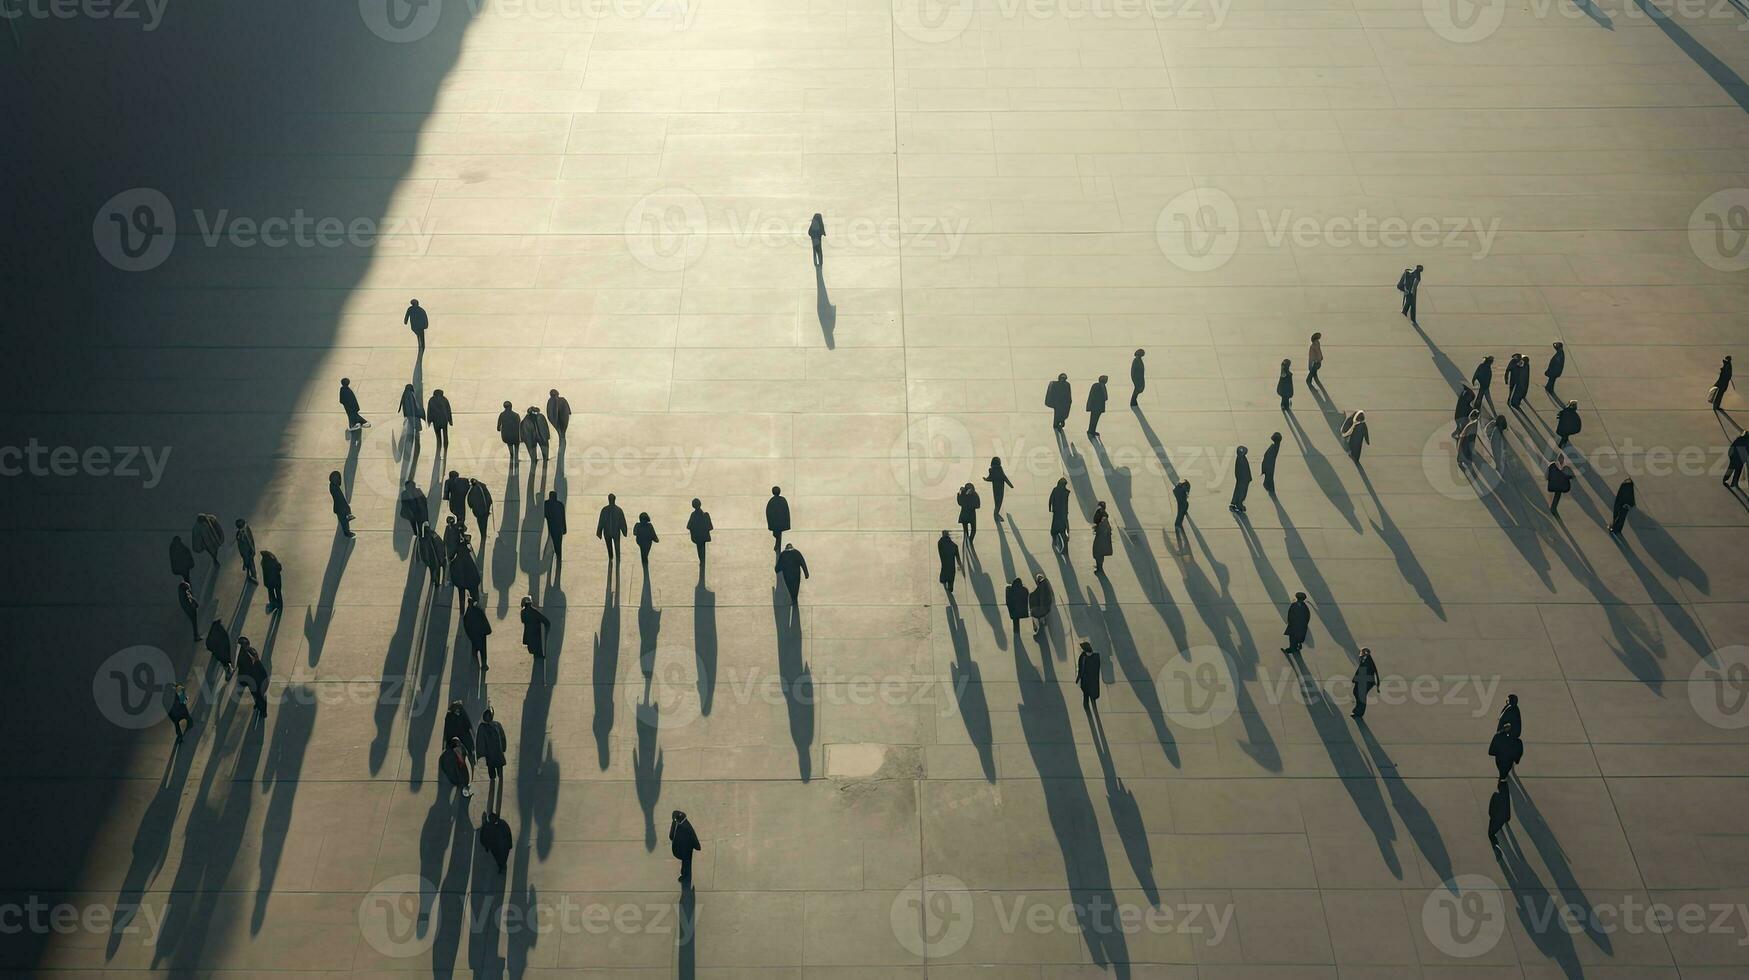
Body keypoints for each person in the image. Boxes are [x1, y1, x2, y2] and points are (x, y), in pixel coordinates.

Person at [237, 637, 268, 717]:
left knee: (259, 696)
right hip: (255, 680)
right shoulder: (249, 653)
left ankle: (263, 711)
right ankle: (258, 704)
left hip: (256, 680)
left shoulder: (246, 656)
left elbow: (243, 671)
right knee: (256, 695)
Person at [669, 810, 701, 886]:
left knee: (686, 863)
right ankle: (685, 875)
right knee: (686, 862)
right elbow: (671, 836)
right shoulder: (680, 824)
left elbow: (693, 836)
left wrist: (697, 846)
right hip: (683, 848)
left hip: (686, 849)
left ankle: (686, 876)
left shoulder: (685, 827)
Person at [477, 707, 508, 786]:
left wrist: (503, 747)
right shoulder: (482, 727)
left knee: (499, 771)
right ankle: (493, 783)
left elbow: (502, 736)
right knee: (492, 773)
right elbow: (480, 741)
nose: (488, 718)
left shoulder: (497, 724)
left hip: (497, 752)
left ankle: (499, 782)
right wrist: (481, 754)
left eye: (489, 716)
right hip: (490, 753)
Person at [596, 493, 627, 564]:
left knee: (611, 545)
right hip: (614, 531)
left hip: (607, 532)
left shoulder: (604, 510)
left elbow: (601, 521)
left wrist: (599, 531)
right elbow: (622, 521)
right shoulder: (618, 510)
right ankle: (614, 557)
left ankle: (611, 557)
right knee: (615, 546)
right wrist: (624, 531)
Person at [463, 595, 492, 670]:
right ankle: (484, 665)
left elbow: (466, 626)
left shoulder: (467, 614)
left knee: (475, 646)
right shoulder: (479, 611)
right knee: (483, 650)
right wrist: (487, 630)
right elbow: (484, 620)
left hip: (473, 635)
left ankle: (474, 658)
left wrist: (469, 635)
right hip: (481, 634)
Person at [451, 545, 481, 615]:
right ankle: (474, 605)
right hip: (471, 578)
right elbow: (475, 560)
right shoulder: (467, 546)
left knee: (461, 593)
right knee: (474, 592)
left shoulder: (455, 548)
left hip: (460, 578)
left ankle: (462, 611)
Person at [1487, 778, 1512, 854]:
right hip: (1502, 819)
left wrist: (1491, 815)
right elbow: (1508, 809)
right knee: (1497, 828)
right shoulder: (1506, 798)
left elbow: (1491, 807)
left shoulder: (1496, 795)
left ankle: (1496, 846)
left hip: (1495, 819)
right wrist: (1507, 818)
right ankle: (1499, 829)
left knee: (1491, 834)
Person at [1351, 648, 1378, 719]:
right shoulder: (1365, 661)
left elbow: (1365, 672)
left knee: (1361, 697)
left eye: (1361, 654)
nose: (1359, 656)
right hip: (1362, 681)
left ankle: (1359, 712)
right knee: (1356, 693)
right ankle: (1357, 709)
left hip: (1365, 682)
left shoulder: (1366, 663)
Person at [1074, 641, 1101, 711]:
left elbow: (1081, 670)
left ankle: (1087, 706)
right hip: (1092, 681)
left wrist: (1078, 678)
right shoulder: (1096, 657)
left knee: (1086, 696)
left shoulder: (1083, 658)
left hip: (1086, 681)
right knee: (1090, 695)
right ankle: (1091, 702)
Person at [419, 524, 447, 590]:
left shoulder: (425, 540)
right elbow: (440, 543)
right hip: (438, 556)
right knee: (437, 570)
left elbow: (424, 551)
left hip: (434, 558)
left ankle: (435, 582)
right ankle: (438, 582)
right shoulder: (434, 535)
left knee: (434, 570)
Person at [1281, 591, 1310, 656]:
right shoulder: (1304, 607)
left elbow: (1290, 614)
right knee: (1296, 636)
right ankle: (1296, 646)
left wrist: (1290, 622)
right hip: (1299, 625)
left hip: (1295, 625)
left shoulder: (1294, 605)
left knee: (1293, 637)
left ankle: (1292, 648)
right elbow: (1307, 616)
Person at [687, 498, 713, 567]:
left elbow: (688, 526)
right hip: (704, 537)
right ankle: (703, 560)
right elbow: (710, 527)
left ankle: (702, 561)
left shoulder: (693, 515)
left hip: (697, 537)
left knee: (699, 549)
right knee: (703, 547)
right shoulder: (705, 515)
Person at [544, 491, 568, 565]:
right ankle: (559, 557)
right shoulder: (560, 505)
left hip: (551, 527)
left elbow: (544, 514)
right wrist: (564, 529)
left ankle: (555, 556)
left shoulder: (546, 504)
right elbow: (563, 518)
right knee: (558, 543)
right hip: (559, 528)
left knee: (554, 542)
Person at [1048, 477, 1071, 553]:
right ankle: (1065, 536)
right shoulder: (1066, 492)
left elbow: (1051, 499)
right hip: (1063, 512)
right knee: (1064, 526)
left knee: (1055, 525)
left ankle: (1055, 537)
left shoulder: (1055, 490)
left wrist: (1049, 507)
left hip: (1056, 512)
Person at [467, 477, 493, 542]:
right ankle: (484, 534)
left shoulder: (472, 491)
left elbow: (470, 501)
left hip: (479, 511)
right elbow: (489, 497)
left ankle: (483, 535)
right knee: (485, 522)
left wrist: (472, 508)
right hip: (485, 509)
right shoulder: (483, 487)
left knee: (481, 523)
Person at [329, 471, 354, 538]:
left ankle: (347, 519)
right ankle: (347, 533)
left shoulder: (333, 486)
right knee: (344, 522)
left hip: (339, 507)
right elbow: (340, 499)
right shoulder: (335, 489)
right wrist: (345, 507)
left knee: (343, 519)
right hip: (340, 508)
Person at [398, 383, 424, 449]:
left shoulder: (405, 393)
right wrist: (413, 416)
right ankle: (406, 447)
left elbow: (402, 404)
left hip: (407, 416)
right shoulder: (410, 394)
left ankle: (403, 447)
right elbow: (412, 406)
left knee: (406, 432)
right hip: (410, 416)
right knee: (408, 432)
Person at [937, 530, 962, 597]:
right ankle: (950, 588)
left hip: (944, 564)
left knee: (943, 575)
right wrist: (960, 565)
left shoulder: (940, 543)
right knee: (951, 578)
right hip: (951, 567)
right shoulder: (954, 546)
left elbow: (940, 550)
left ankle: (944, 581)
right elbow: (958, 558)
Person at [427, 388, 452, 453]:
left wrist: (429, 420)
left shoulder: (431, 400)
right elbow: (448, 410)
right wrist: (450, 420)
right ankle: (445, 447)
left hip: (436, 421)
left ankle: (439, 448)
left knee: (438, 436)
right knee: (445, 434)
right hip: (444, 420)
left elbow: (429, 411)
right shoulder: (444, 399)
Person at [765, 486, 790, 553]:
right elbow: (786, 512)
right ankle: (777, 544)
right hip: (781, 524)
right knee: (778, 536)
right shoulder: (783, 500)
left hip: (775, 524)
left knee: (777, 536)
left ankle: (777, 544)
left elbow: (768, 513)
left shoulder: (771, 501)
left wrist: (770, 524)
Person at [232, 518, 257, 582]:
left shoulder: (245, 532)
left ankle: (254, 577)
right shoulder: (240, 532)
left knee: (251, 564)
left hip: (248, 552)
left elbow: (250, 542)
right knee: (247, 563)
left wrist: (253, 551)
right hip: (244, 552)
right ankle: (249, 574)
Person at [1091, 504, 1113, 576]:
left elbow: (1100, 527)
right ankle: (1099, 567)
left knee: (1098, 552)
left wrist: (1097, 528)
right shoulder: (1104, 517)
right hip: (1103, 539)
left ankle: (1099, 569)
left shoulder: (1102, 520)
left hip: (1101, 539)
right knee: (1100, 553)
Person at [1229, 446, 1251, 513]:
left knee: (1238, 492)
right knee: (1241, 493)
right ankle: (1239, 506)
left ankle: (1234, 503)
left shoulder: (1240, 458)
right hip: (1243, 480)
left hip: (1241, 480)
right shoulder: (1241, 459)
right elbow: (1243, 471)